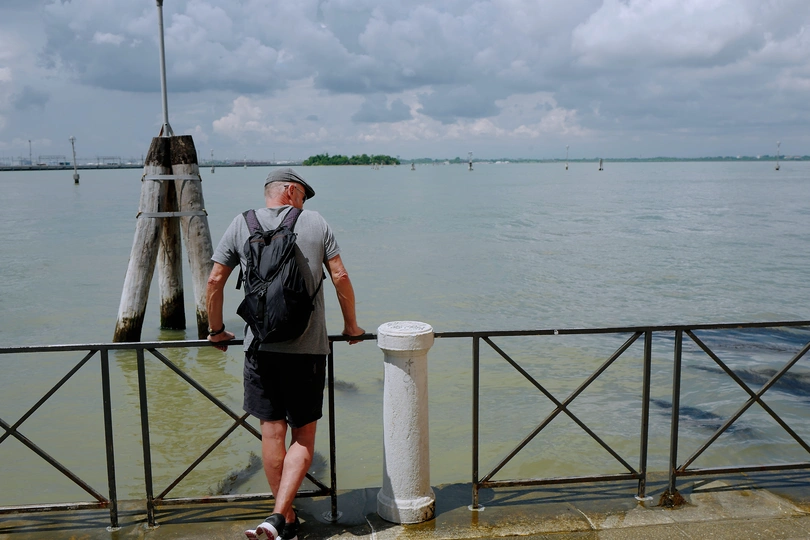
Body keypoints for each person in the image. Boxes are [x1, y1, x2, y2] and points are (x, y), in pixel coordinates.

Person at [206, 167, 364, 540]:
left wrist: (216, 331)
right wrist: (352, 327)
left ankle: (285, 519)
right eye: (303, 197)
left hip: (259, 349)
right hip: (306, 350)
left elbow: (214, 280)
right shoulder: (315, 223)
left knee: (271, 434)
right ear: (291, 191)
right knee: (303, 440)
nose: (305, 204)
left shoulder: (240, 223)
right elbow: (340, 277)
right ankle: (279, 517)